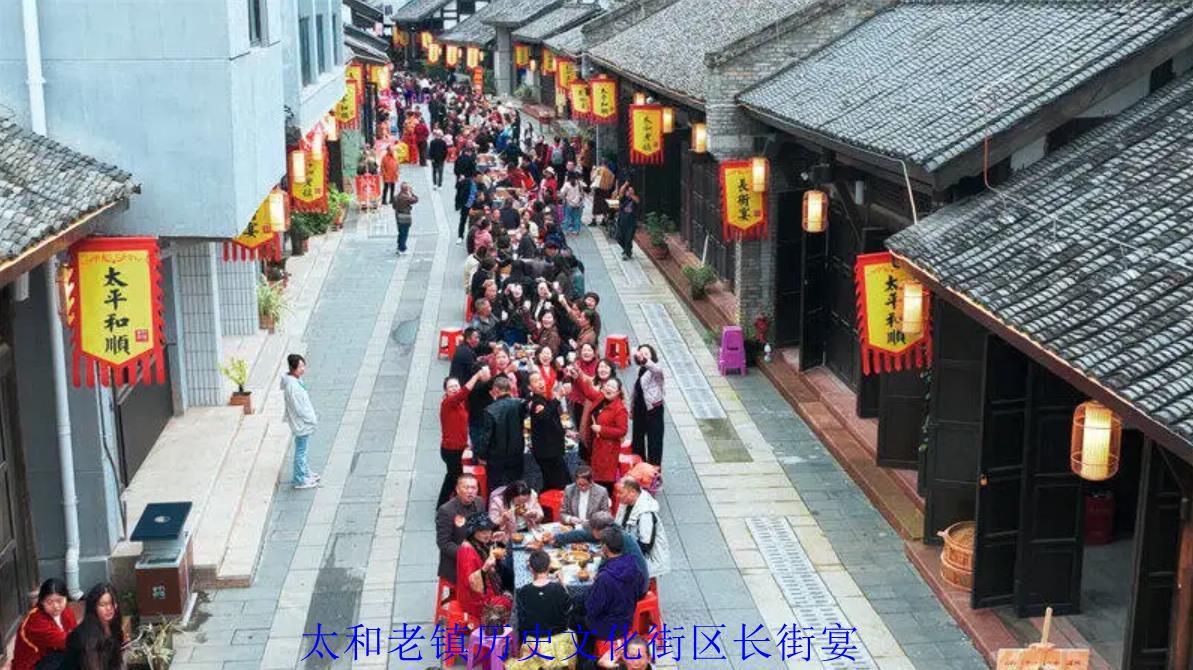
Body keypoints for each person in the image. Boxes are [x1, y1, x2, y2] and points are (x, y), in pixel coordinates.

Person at [584, 529, 642, 656]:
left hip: (607, 628)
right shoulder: (633, 565)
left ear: (605, 547)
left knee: (577, 617)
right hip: (627, 620)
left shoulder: (605, 578)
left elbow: (592, 609)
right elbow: (639, 590)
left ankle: (586, 657)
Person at [439, 367, 491, 507]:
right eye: (451, 387)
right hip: (451, 449)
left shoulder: (459, 403)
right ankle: (450, 506)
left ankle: (444, 504)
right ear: (446, 390)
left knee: (451, 477)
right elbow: (464, 392)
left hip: (458, 447)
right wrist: (476, 376)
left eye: (456, 386)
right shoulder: (448, 403)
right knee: (455, 479)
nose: (454, 389)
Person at [572, 373, 627, 495]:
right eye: (607, 385)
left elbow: (622, 431)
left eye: (612, 387)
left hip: (607, 450)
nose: (609, 388)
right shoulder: (601, 398)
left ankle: (606, 501)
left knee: (604, 480)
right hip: (596, 445)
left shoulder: (620, 409)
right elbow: (587, 392)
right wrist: (576, 378)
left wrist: (601, 429)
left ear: (618, 392)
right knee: (596, 475)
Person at [13, 578, 77, 670]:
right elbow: (69, 642)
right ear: (42, 601)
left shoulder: (66, 611)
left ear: (66, 598)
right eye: (49, 602)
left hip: (51, 654)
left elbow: (75, 633)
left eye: (59, 601)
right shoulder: (36, 621)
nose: (56, 606)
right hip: (32, 664)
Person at [475, 376, 527, 491]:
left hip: (496, 457)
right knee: (516, 487)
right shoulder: (520, 404)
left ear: (496, 390)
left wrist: (481, 455)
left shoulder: (490, 410)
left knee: (496, 489)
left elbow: (486, 437)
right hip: (516, 453)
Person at [614, 478, 670, 581]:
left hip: (645, 564)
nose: (617, 496)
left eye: (621, 493)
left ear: (632, 493)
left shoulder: (645, 514)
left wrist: (623, 555)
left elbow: (645, 545)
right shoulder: (626, 504)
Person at [455, 513, 507, 621]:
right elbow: (471, 583)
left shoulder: (477, 543)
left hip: (482, 589)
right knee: (510, 601)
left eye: (489, 530)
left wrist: (496, 541)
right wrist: (486, 567)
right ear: (473, 532)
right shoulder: (467, 550)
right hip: (474, 600)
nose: (487, 535)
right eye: (483, 532)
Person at [436, 474, 487, 582]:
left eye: (473, 488)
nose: (470, 491)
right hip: (457, 562)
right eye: (466, 488)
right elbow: (444, 544)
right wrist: (468, 554)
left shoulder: (479, 502)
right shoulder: (446, 511)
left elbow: (483, 526)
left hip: (479, 554)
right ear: (457, 489)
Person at [514, 550, 571, 645]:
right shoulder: (558, 588)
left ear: (531, 569)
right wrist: (562, 583)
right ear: (549, 567)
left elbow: (521, 618)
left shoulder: (523, 591)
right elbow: (569, 606)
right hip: (557, 638)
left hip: (533, 640)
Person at [526, 371, 570, 491]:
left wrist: (563, 431)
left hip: (550, 449)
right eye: (535, 381)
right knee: (562, 483)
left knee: (551, 483)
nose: (540, 383)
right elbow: (544, 416)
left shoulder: (542, 398)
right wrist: (558, 398)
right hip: (548, 451)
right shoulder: (536, 402)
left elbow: (550, 418)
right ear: (530, 387)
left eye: (541, 379)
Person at [63, 583, 124, 670]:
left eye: (112, 603)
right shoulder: (80, 636)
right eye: (103, 604)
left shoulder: (115, 628)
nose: (109, 608)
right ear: (94, 607)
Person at [281, 354, 319, 489]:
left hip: (301, 422)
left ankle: (305, 473)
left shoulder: (294, 381)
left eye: (303, 365)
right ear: (293, 368)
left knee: (302, 450)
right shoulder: (293, 387)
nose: (303, 369)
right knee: (301, 451)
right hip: (301, 423)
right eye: (300, 367)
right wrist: (311, 419)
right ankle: (300, 479)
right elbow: (300, 409)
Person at [629, 344, 665, 467]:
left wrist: (644, 360)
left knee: (654, 441)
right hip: (640, 408)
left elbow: (657, 370)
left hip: (653, 409)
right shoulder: (640, 370)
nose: (643, 356)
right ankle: (639, 467)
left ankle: (654, 470)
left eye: (646, 354)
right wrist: (632, 408)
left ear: (652, 356)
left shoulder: (656, 369)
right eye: (641, 353)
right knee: (637, 439)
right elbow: (636, 391)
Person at [615, 180, 640, 260]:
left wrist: (631, 194)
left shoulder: (634, 199)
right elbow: (621, 191)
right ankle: (627, 250)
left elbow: (637, 200)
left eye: (631, 191)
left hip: (631, 223)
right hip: (621, 221)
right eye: (628, 191)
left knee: (628, 238)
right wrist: (625, 184)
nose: (629, 192)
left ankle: (626, 252)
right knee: (619, 238)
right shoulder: (623, 199)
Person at [392, 181, 418, 255]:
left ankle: (399, 246)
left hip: (398, 216)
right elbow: (416, 199)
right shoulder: (407, 198)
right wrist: (412, 193)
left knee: (400, 232)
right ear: (406, 189)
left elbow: (394, 206)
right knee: (405, 233)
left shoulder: (396, 197)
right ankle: (402, 248)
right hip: (405, 217)